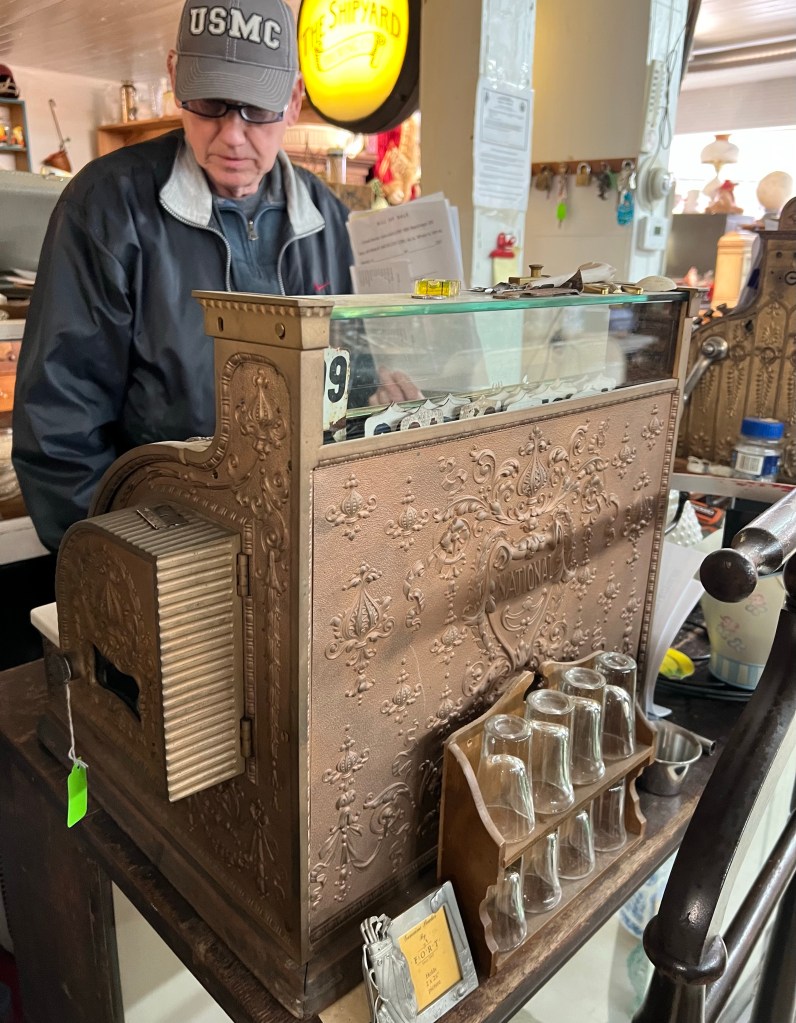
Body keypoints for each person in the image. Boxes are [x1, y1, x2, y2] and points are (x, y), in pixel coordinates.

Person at [12, 0, 359, 553]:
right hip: (158, 547)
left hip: (304, 545)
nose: (232, 136)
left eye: (256, 109)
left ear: (293, 100)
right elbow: (59, 428)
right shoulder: (105, 208)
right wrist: (122, 569)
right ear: (175, 77)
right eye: (209, 104)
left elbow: (354, 385)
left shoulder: (331, 221)